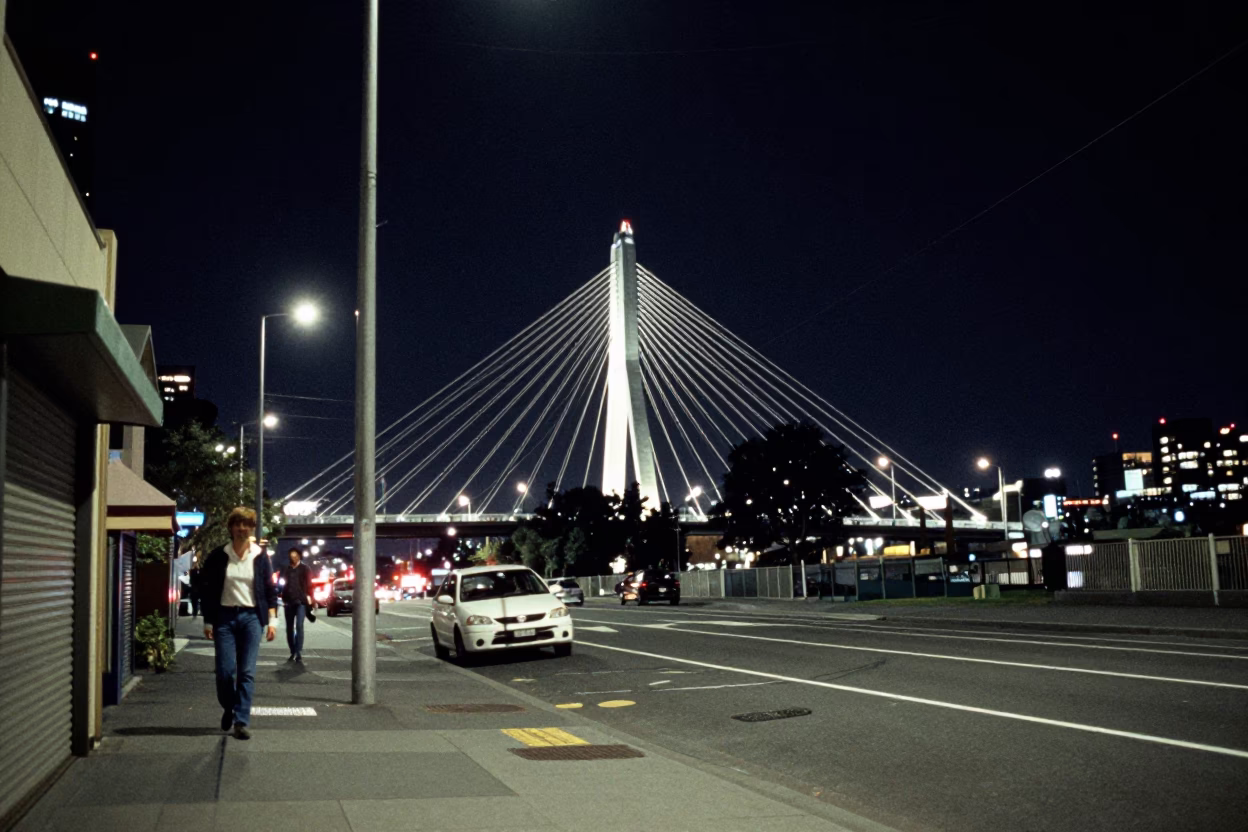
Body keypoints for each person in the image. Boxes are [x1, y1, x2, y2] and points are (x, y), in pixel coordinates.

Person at [201, 507, 278, 740]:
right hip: (224, 617)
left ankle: (241, 721)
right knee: (225, 672)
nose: (242, 528)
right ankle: (229, 706)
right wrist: (208, 621)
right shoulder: (218, 556)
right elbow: (208, 589)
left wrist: (272, 621)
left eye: (246, 524)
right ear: (231, 527)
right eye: (238, 524)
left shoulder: (261, 556)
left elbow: (269, 590)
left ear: (252, 528)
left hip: (252, 618)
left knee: (246, 672)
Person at [279, 546, 313, 662]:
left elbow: (309, 586)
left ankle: (298, 651)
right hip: (288, 602)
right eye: (291, 556)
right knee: (289, 628)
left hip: (301, 602)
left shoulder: (305, 569)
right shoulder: (285, 569)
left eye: (295, 556)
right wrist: (280, 593)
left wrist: (310, 599)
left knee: (299, 625)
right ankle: (292, 650)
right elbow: (280, 584)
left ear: (299, 556)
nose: (293, 558)